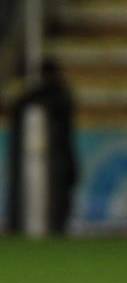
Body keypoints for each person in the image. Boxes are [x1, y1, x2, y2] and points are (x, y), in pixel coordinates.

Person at [7, 58, 78, 236]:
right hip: (61, 156)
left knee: (56, 199)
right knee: (60, 201)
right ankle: (57, 229)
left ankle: (53, 228)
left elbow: (17, 106)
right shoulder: (62, 95)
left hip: (58, 156)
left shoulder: (47, 97)